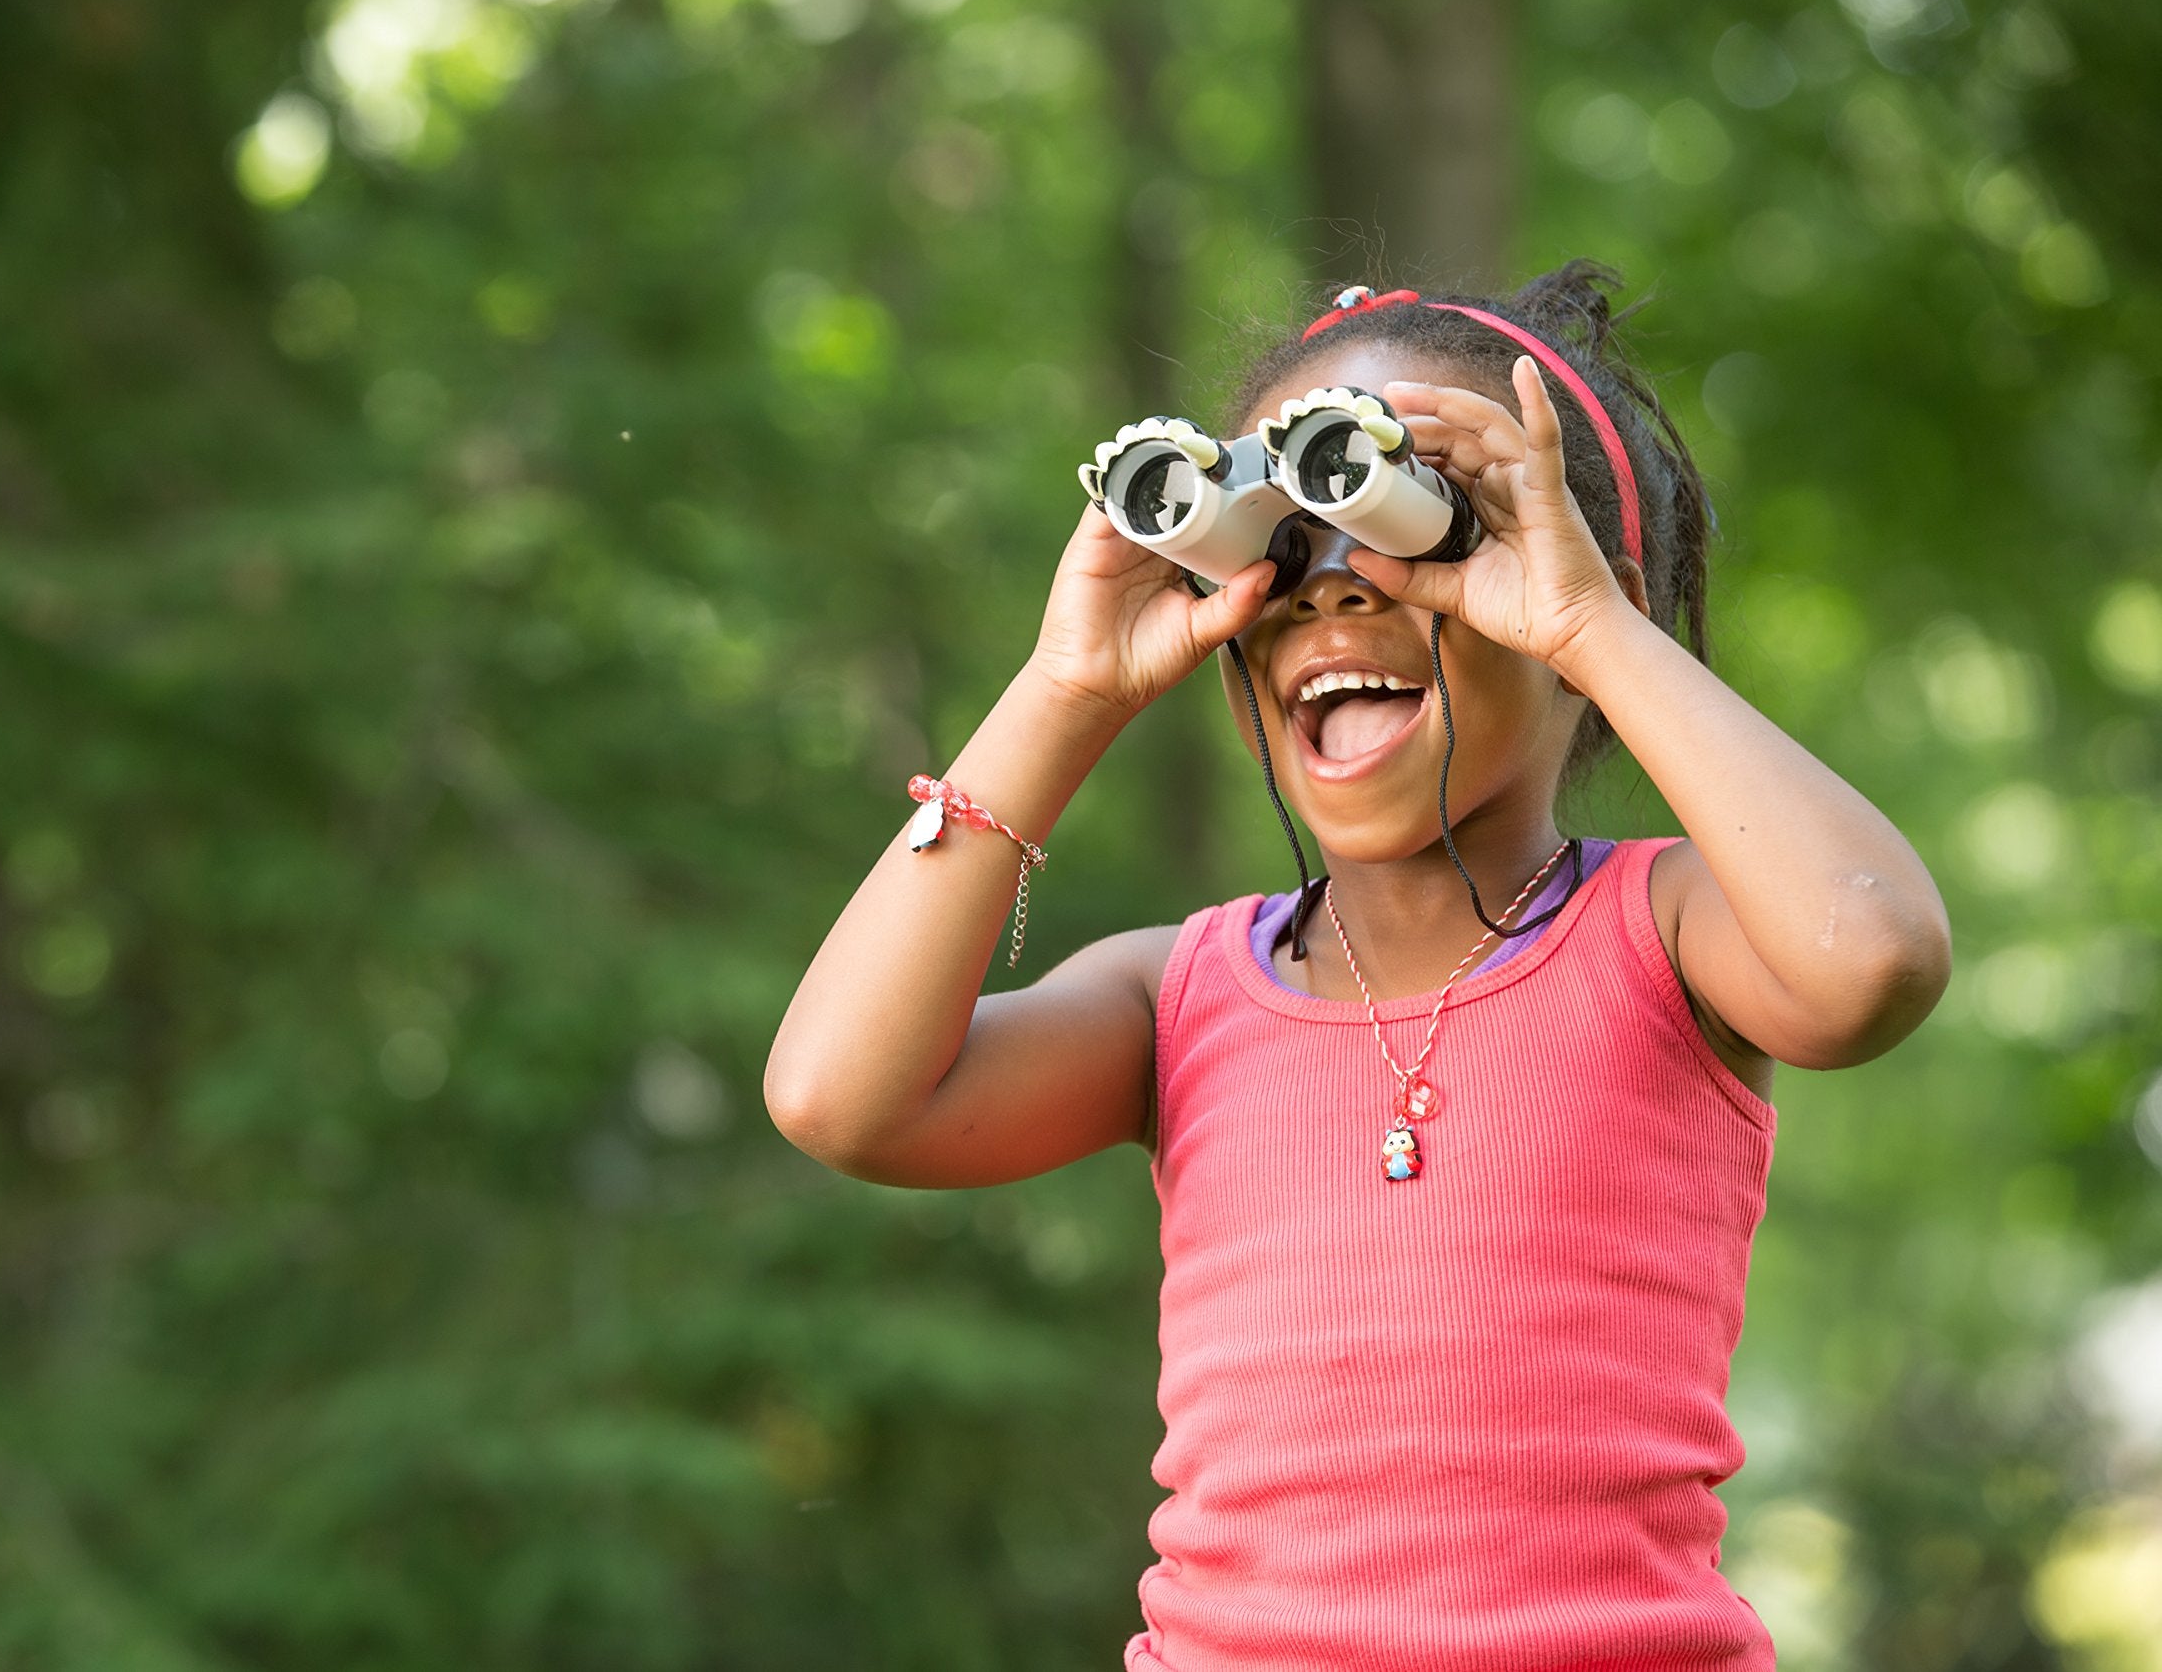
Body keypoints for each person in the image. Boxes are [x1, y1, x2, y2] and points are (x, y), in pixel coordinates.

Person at [762, 263, 1951, 1671]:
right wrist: (1065, 687)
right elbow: (842, 1097)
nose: (1332, 596)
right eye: (1273, 545)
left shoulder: (1670, 930)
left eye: (1403, 527)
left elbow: (1869, 956)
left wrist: (1592, 627)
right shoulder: (1176, 994)